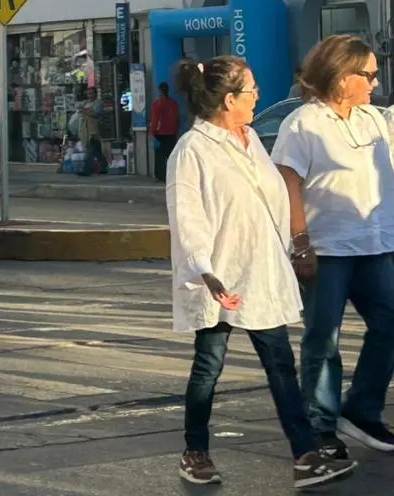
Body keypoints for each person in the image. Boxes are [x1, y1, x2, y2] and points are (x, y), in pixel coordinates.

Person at [168, 56, 356, 488]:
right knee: (208, 366)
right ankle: (195, 452)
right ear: (229, 99)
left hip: (259, 273)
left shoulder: (251, 139)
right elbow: (187, 217)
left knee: (280, 364)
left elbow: (271, 201)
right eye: (250, 91)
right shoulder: (192, 151)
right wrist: (206, 272)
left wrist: (294, 250)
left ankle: (305, 455)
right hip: (220, 278)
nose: (257, 97)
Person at [272, 34, 394, 457]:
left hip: (375, 244)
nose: (375, 82)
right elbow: (288, 182)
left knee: (390, 323)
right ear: (343, 77)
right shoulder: (304, 124)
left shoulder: (372, 120)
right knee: (324, 338)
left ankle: (361, 409)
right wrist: (300, 243)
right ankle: (321, 426)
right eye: (369, 75)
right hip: (326, 249)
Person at [150, 81, 181, 183]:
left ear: (160, 91)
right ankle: (173, 175)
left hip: (160, 134)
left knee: (159, 156)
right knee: (171, 155)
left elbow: (155, 120)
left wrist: (153, 132)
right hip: (172, 133)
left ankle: (160, 176)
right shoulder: (173, 103)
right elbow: (177, 118)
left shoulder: (157, 104)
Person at [77, 86, 107, 177]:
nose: (89, 95)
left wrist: (85, 111)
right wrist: (84, 111)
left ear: (95, 94)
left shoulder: (98, 103)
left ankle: (86, 169)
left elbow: (95, 113)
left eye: (91, 93)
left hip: (94, 129)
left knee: (90, 149)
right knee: (97, 150)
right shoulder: (86, 103)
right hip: (86, 129)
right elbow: (80, 111)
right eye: (88, 93)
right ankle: (104, 166)